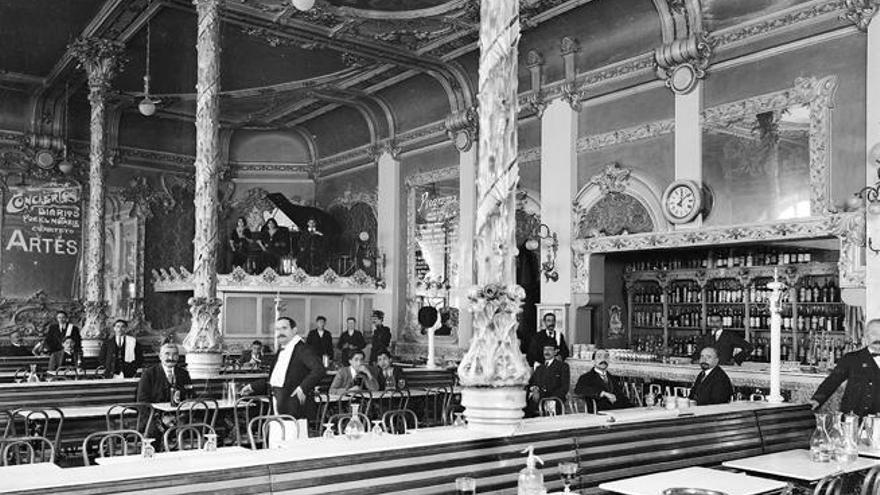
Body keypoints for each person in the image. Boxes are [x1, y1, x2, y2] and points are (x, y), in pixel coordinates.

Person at [241, 317, 325, 419]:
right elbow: (274, 381)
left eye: (284, 328)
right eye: (277, 329)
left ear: (294, 330)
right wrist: (252, 387)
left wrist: (302, 388)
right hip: (277, 405)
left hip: (295, 409)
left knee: (295, 434)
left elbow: (319, 370)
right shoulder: (281, 351)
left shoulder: (303, 349)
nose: (280, 332)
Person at [810, 318, 880, 416]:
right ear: (866, 336)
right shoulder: (851, 358)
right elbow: (832, 381)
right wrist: (817, 400)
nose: (878, 338)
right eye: (874, 333)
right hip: (853, 417)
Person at [526, 343, 570, 416]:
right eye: (545, 349)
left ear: (555, 352)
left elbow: (564, 388)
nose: (546, 352)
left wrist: (551, 399)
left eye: (550, 349)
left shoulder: (562, 366)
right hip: (537, 402)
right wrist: (535, 389)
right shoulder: (539, 368)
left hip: (554, 401)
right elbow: (531, 383)